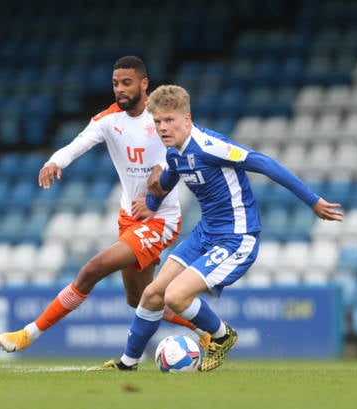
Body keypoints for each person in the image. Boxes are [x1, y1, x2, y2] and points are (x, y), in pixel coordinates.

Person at [88, 84, 343, 372]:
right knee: (151, 294)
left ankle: (222, 336)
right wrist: (151, 204)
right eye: (157, 121)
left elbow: (263, 162)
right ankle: (127, 364)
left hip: (236, 238)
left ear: (187, 118)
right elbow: (170, 178)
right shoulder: (174, 153)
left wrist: (313, 201)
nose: (162, 128)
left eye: (169, 120)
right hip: (205, 233)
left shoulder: (210, 146)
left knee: (175, 296)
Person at [0, 57, 207, 354]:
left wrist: (162, 169)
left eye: (126, 83)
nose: (119, 89)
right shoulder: (109, 120)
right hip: (129, 218)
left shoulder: (162, 116)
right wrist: (55, 161)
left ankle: (29, 333)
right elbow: (79, 142)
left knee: (92, 268)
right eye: (115, 84)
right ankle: (206, 331)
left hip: (161, 219)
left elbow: (186, 147)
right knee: (139, 299)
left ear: (144, 84)